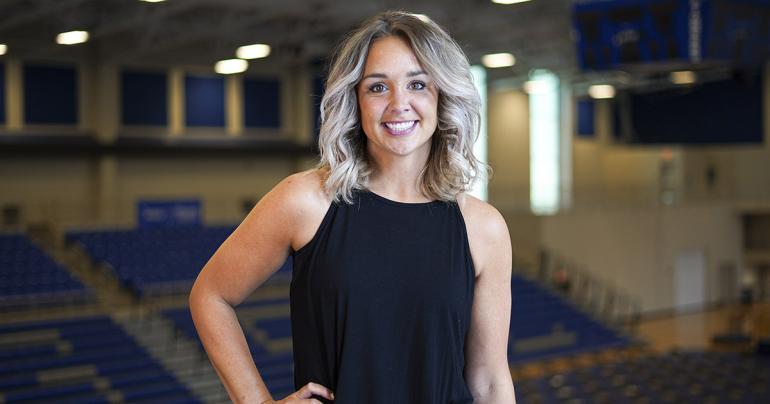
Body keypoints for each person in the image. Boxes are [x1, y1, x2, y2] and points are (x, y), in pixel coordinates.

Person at [189, 10, 515, 404]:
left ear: (442, 95)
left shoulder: (483, 228)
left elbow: (490, 381)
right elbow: (210, 295)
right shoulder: (306, 201)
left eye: (417, 84)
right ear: (355, 100)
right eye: (378, 88)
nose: (399, 104)